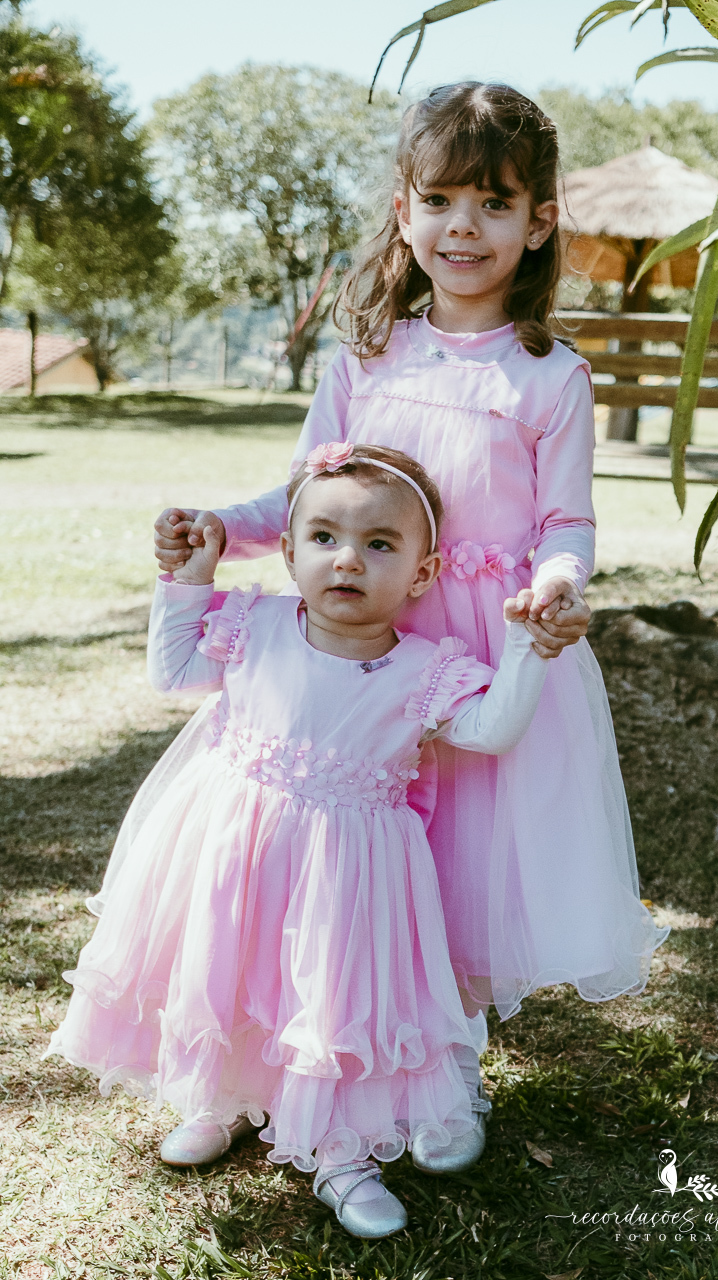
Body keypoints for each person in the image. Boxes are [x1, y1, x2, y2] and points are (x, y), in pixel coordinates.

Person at [152, 81, 667, 1175]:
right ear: (404, 213)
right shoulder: (368, 354)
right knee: (323, 862)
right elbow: (302, 495)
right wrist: (219, 527)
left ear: (537, 222)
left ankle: (441, 1071)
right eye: (439, 199)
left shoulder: (549, 374)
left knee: (456, 870)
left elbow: (566, 517)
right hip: (353, 652)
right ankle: (257, 1067)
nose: (462, 226)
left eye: (492, 202)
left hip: (480, 653)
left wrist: (559, 581)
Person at [46, 443, 556, 1239]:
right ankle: (226, 1101)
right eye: (323, 538)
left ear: (420, 576)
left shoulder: (427, 668)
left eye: (379, 545)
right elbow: (173, 672)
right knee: (231, 970)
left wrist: (528, 648)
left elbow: (490, 732)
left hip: (350, 878)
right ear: (287, 553)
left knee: (328, 999)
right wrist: (187, 581)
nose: (347, 559)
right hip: (234, 848)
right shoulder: (257, 627)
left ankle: (340, 1153)